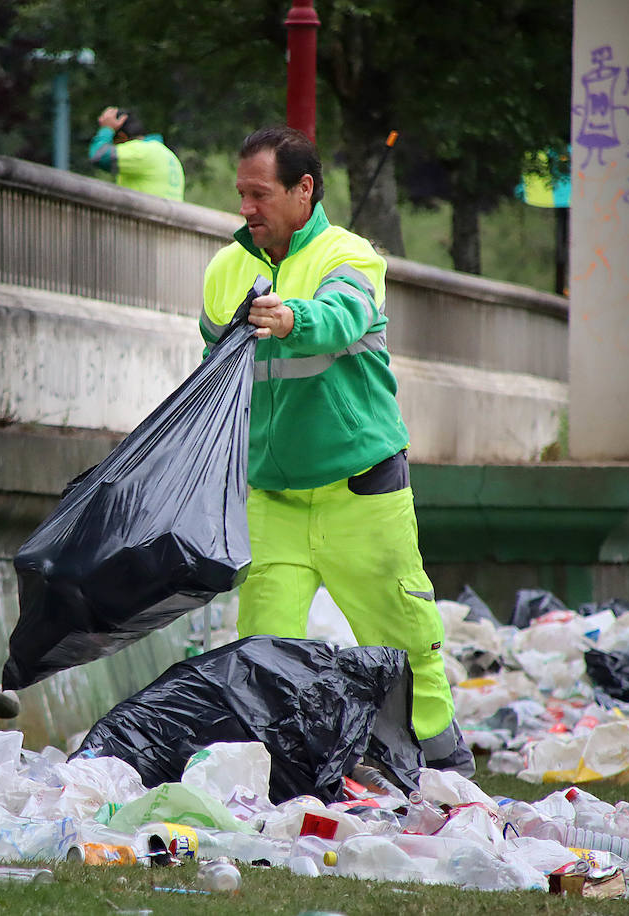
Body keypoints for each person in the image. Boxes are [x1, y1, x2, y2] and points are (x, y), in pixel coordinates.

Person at [197, 126, 472, 775]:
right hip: (273, 495)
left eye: (260, 193)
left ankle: (442, 764)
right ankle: (280, 774)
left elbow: (342, 316)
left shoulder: (350, 257)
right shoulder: (224, 270)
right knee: (264, 651)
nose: (246, 207)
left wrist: (293, 318)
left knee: (404, 638)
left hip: (360, 487)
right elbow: (213, 368)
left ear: (304, 189)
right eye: (241, 193)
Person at [88, 106, 185, 201]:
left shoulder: (141, 152)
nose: (114, 148)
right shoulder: (167, 154)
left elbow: (99, 156)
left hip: (146, 211)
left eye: (112, 142)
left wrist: (107, 129)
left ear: (122, 137)